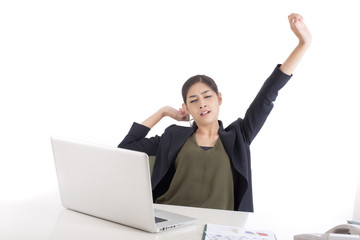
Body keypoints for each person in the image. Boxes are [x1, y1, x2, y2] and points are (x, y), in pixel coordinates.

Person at [118, 13, 312, 212]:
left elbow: (268, 94)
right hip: (169, 220)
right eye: (193, 100)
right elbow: (125, 148)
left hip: (220, 228)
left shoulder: (240, 135)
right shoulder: (173, 136)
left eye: (207, 96)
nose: (202, 104)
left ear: (219, 98)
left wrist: (303, 44)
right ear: (186, 108)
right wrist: (163, 112)